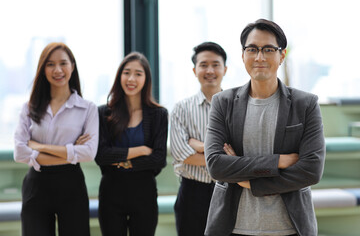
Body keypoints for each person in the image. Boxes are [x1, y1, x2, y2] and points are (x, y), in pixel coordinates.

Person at [204, 19, 325, 236]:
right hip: (233, 226)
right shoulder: (223, 102)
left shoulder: (305, 104)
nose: (259, 57)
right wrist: (278, 161)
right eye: (252, 49)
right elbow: (216, 165)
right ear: (243, 55)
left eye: (268, 49)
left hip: (290, 228)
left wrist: (248, 182)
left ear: (282, 55)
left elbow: (311, 170)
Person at [14, 42, 99, 236]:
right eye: (50, 64)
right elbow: (20, 153)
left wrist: (39, 147)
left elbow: (88, 153)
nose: (58, 69)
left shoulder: (87, 109)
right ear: (43, 69)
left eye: (63, 63)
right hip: (36, 186)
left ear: (72, 66)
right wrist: (71, 152)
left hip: (71, 185)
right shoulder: (29, 108)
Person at [95, 52, 168, 236]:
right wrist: (141, 150)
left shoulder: (159, 115)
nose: (131, 78)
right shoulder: (103, 113)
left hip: (144, 193)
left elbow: (159, 159)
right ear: (119, 76)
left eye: (138, 74)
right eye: (126, 72)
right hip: (111, 193)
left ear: (146, 79)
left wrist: (121, 161)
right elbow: (102, 155)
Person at [170, 42, 228, 236]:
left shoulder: (237, 107)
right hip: (192, 193)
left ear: (225, 69)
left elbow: (241, 152)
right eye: (203, 65)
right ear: (195, 70)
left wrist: (198, 145)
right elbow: (181, 153)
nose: (209, 70)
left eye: (215, 64)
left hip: (229, 192)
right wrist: (220, 155)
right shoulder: (181, 108)